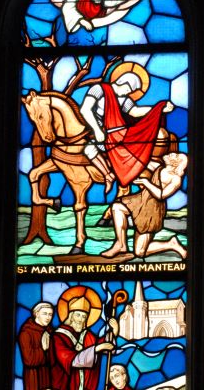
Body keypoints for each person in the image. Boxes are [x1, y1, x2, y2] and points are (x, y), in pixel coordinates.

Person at [80, 61, 173, 193]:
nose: (130, 92)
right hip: (96, 128)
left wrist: (158, 109)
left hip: (117, 133)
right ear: (123, 82)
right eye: (130, 89)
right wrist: (97, 130)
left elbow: (135, 111)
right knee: (88, 148)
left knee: (132, 149)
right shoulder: (99, 89)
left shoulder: (124, 99)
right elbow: (85, 109)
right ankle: (108, 175)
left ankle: (148, 168)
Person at [49, 288, 117, 390]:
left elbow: (101, 347)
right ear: (70, 315)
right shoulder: (59, 336)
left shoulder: (88, 335)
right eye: (78, 315)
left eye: (84, 317)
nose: (81, 319)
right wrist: (97, 348)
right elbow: (69, 359)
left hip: (84, 383)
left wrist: (113, 333)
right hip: (65, 382)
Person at [102, 152, 187, 259]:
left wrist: (146, 183)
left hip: (152, 209)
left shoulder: (176, 180)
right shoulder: (160, 168)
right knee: (116, 207)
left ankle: (171, 244)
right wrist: (126, 151)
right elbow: (142, 161)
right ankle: (121, 244)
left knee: (140, 252)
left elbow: (161, 195)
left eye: (175, 155)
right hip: (141, 200)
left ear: (176, 163)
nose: (172, 154)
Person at [14, 302, 54, 390]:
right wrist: (44, 350)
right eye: (45, 313)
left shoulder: (49, 331)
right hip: (33, 375)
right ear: (36, 313)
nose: (48, 317)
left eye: (50, 314)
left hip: (46, 374)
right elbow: (29, 359)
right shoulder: (26, 331)